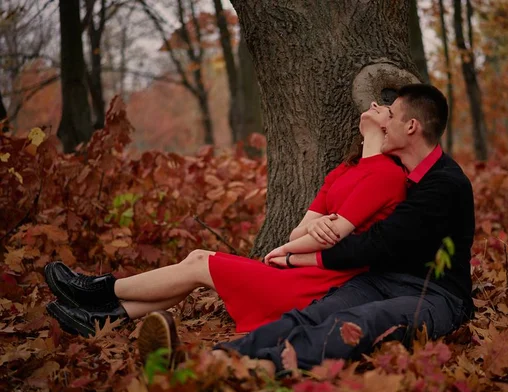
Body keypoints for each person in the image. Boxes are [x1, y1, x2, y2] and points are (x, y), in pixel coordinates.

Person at [136, 83, 475, 375]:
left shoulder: (445, 184)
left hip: (436, 295)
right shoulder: (402, 173)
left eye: (391, 117)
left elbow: (377, 243)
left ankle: (256, 369)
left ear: (412, 126)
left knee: (358, 322)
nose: (383, 124)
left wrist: (298, 259)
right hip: (381, 280)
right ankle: (216, 359)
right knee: (313, 314)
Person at [44, 101, 408, 340]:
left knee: (201, 261)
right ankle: (99, 319)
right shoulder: (345, 170)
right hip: (295, 271)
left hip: (317, 286)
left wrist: (287, 249)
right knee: (194, 264)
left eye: (386, 109)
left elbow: (327, 237)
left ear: (391, 129)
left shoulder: (387, 175)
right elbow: (303, 229)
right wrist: (310, 232)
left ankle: (97, 290)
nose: (375, 105)